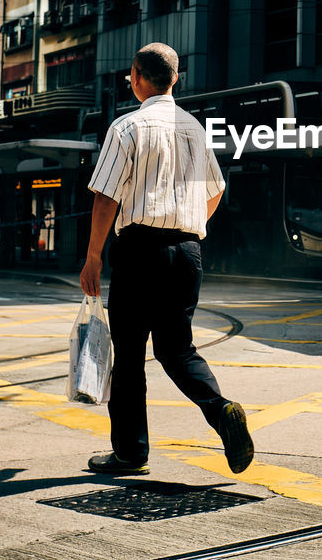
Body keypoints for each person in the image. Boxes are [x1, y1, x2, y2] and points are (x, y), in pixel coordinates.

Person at [80, 42, 253, 476]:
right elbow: (215, 192)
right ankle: (222, 409)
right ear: (174, 79)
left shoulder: (127, 127)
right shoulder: (195, 129)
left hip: (140, 251)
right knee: (178, 350)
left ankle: (130, 452)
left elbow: (106, 196)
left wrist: (93, 257)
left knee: (131, 355)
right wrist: (190, 226)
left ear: (138, 76)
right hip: (188, 252)